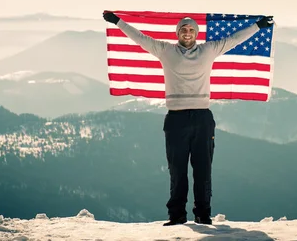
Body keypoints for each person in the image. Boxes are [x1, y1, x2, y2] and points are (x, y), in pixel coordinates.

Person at [103, 11, 273, 226]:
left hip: (202, 118)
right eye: (183, 29)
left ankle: (203, 214)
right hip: (176, 119)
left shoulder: (208, 50)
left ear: (196, 33)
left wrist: (258, 25)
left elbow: (234, 39)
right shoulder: (165, 51)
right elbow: (140, 38)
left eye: (191, 29)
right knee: (177, 170)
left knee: (203, 170)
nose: (187, 33)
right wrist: (117, 21)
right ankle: (176, 216)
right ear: (178, 33)